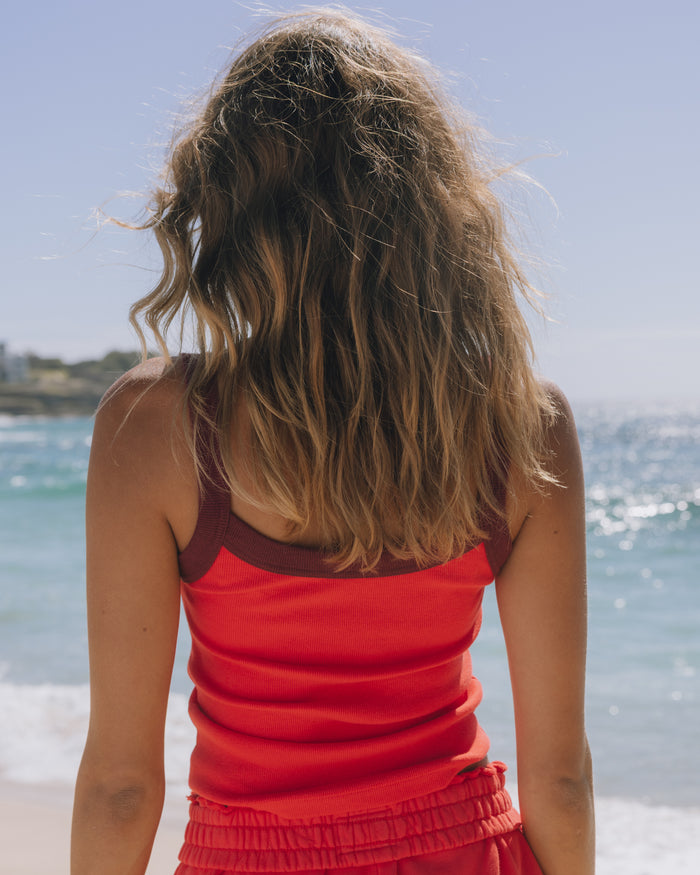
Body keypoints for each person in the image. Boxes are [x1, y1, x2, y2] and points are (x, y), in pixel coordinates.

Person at [71, 9, 594, 875]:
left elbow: (122, 787)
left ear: (231, 215)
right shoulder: (520, 423)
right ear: (431, 210)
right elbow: (562, 780)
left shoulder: (155, 428)